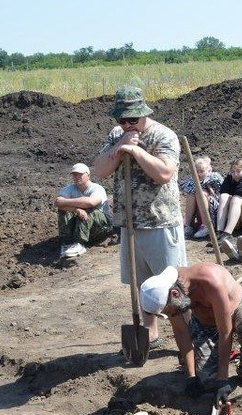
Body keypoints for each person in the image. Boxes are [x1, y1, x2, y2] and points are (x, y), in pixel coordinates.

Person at [91, 86, 185, 345]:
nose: (128, 124)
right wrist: (120, 146)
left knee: (173, 286)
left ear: (145, 113)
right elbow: (100, 169)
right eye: (122, 120)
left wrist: (136, 151)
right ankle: (150, 332)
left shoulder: (163, 135)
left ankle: (186, 338)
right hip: (129, 222)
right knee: (143, 285)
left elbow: (164, 173)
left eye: (133, 119)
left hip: (160, 221)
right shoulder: (116, 135)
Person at [138, 263, 242, 402]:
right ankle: (200, 364)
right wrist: (191, 377)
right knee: (207, 381)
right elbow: (181, 332)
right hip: (206, 324)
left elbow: (225, 331)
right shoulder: (166, 291)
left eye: (170, 311)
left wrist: (223, 380)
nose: (172, 315)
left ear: (175, 294)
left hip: (238, 308)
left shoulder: (211, 282)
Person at [54, 162, 112, 259]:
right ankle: (67, 242)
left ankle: (79, 243)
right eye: (75, 174)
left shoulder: (97, 188)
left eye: (80, 174)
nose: (77, 177)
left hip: (100, 227)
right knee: (64, 211)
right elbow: (58, 203)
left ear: (88, 175)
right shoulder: (69, 189)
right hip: (80, 225)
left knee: (90, 211)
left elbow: (90, 202)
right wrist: (77, 210)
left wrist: (68, 202)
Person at [202, 158, 242, 241]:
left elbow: (240, 192)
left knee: (236, 198)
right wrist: (230, 176)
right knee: (224, 196)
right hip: (234, 220)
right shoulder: (232, 178)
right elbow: (223, 191)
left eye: (238, 171)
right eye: (233, 171)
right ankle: (220, 232)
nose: (235, 174)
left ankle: (227, 234)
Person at [181, 155, 224, 237]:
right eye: (197, 171)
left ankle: (206, 225)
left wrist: (208, 189)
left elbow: (222, 192)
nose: (199, 174)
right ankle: (188, 225)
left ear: (208, 170)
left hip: (214, 209)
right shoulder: (192, 180)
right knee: (191, 194)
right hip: (199, 209)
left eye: (202, 171)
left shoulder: (214, 177)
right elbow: (185, 187)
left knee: (200, 192)